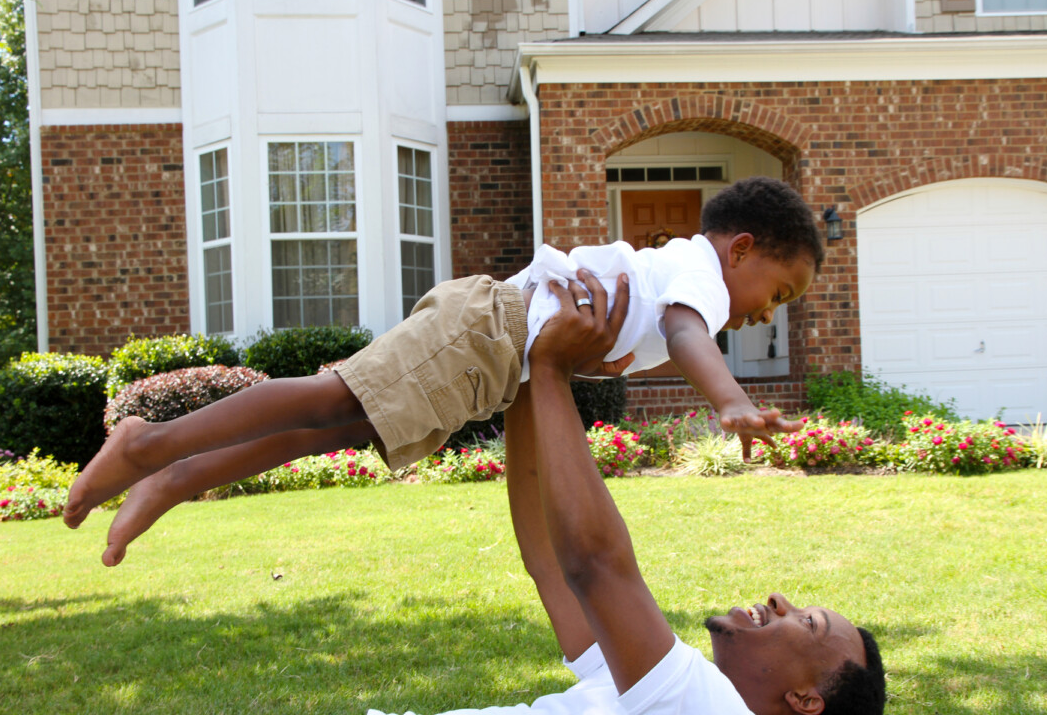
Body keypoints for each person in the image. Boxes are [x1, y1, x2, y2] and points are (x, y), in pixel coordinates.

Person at [34, 274, 885, 715]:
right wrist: (526, 383)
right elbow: (552, 564)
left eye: (809, 621)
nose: (781, 599)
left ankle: (162, 458)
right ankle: (168, 467)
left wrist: (551, 370)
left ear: (805, 700)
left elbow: (597, 565)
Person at [64, 176, 823, 567]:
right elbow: (688, 332)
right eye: (779, 292)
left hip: (492, 360)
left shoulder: (691, 274)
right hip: (485, 332)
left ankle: (173, 479)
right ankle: (148, 445)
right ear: (743, 247)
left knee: (336, 425)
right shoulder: (703, 280)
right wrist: (727, 400)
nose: (769, 311)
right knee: (330, 400)